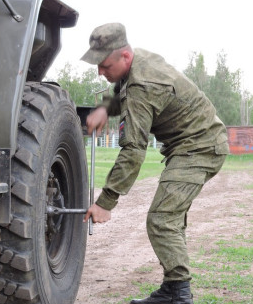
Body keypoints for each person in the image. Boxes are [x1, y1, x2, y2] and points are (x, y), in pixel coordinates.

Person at [81, 23, 229, 304]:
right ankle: (174, 289)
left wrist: (105, 202)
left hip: (200, 148)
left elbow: (133, 150)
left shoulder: (143, 86)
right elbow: (118, 90)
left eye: (104, 65)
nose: (100, 71)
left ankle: (179, 296)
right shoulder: (138, 62)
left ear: (124, 56)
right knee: (169, 219)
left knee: (162, 219)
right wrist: (103, 107)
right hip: (190, 146)